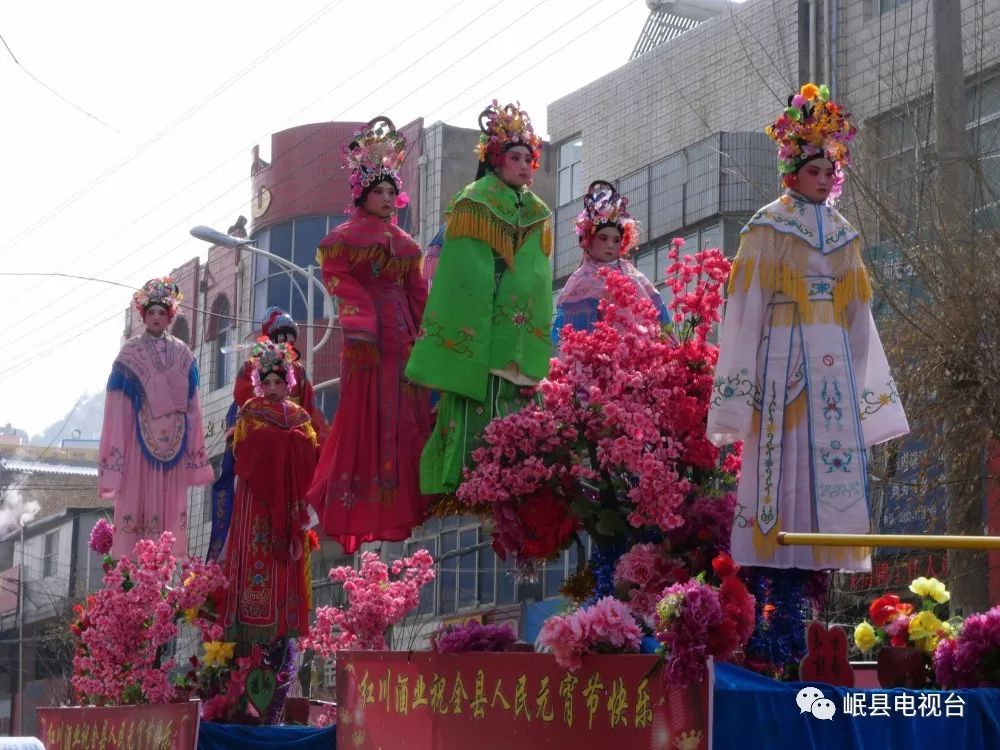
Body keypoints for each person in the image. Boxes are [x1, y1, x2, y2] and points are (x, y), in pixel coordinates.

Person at [707, 83, 909, 572]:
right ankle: (778, 569)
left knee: (831, 465)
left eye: (828, 171)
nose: (822, 178)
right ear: (791, 173)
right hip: (783, 357)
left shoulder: (844, 234)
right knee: (783, 459)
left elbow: (860, 321)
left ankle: (820, 570)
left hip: (835, 363)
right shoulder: (766, 227)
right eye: (812, 170)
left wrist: (866, 394)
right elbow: (744, 311)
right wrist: (740, 389)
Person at [405, 101, 553, 496]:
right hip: (483, 311)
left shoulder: (538, 210)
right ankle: (470, 486)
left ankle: (518, 481)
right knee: (477, 403)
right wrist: (489, 305)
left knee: (518, 403)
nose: (524, 165)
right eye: (515, 157)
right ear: (496, 161)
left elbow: (538, 274)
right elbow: (464, 270)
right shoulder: (474, 199)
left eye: (528, 158)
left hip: (517, 317)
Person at [306, 117, 431, 552]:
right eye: (377, 191)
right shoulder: (342, 239)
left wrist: (430, 337)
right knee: (368, 415)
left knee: (408, 416)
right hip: (368, 343)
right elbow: (341, 281)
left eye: (390, 191)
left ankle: (405, 495)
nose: (385, 198)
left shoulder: (406, 243)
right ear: (361, 193)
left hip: (403, 337)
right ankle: (367, 497)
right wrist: (361, 325)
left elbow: (418, 294)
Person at [98, 277, 213, 558]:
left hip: (175, 441)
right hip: (140, 441)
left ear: (170, 315)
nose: (157, 317)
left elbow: (192, 405)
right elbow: (118, 405)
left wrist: (192, 446)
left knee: (171, 520)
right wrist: (119, 450)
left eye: (162, 312)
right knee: (137, 506)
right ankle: (136, 582)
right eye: (151, 312)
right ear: (143, 315)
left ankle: (165, 583)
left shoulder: (183, 353)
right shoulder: (130, 353)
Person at [207, 307, 328, 561]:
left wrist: (323, 448)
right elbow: (242, 395)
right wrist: (268, 411)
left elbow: (311, 412)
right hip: (259, 448)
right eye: (280, 336)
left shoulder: (300, 372)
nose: (285, 342)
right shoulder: (254, 364)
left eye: (290, 337)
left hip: (291, 456)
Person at [219, 339, 318, 643]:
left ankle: (283, 630)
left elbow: (311, 452)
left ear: (288, 383)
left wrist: (285, 442)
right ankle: (249, 629)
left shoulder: (299, 416)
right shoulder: (251, 410)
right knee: (255, 555)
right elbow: (243, 448)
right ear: (259, 384)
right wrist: (284, 443)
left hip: (288, 501)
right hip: (256, 500)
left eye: (278, 380)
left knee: (285, 563)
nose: (273, 387)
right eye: (267, 381)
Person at [552, 180, 669, 346]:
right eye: (603, 238)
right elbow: (570, 336)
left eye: (616, 240)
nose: (610, 245)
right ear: (589, 240)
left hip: (636, 358)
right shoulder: (579, 280)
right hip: (596, 360)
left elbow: (658, 315)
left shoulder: (635, 276)